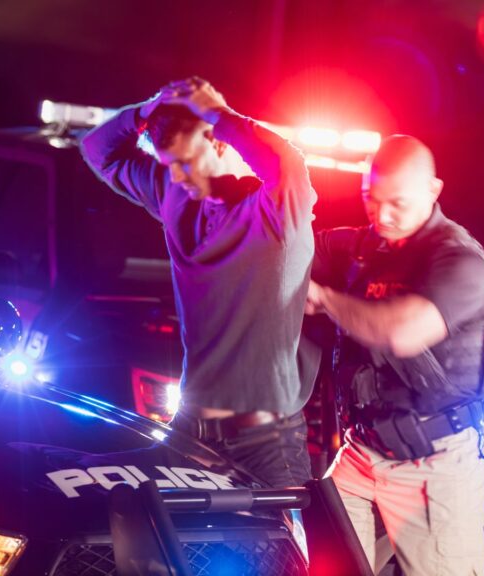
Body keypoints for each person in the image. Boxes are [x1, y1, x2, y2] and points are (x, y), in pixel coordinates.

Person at [80, 77, 320, 488]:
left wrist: (219, 113)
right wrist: (145, 111)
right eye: (168, 163)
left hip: (265, 445)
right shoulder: (176, 196)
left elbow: (287, 163)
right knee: (135, 531)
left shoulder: (276, 212)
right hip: (190, 428)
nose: (176, 175)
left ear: (220, 143)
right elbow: (96, 150)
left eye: (185, 163)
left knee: (277, 553)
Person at [306, 135, 484, 574]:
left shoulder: (460, 260)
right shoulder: (360, 247)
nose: (382, 215)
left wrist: (325, 298)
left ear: (433, 191)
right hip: (361, 454)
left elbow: (401, 332)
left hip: (434, 467)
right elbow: (287, 248)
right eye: (370, 200)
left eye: (398, 203)